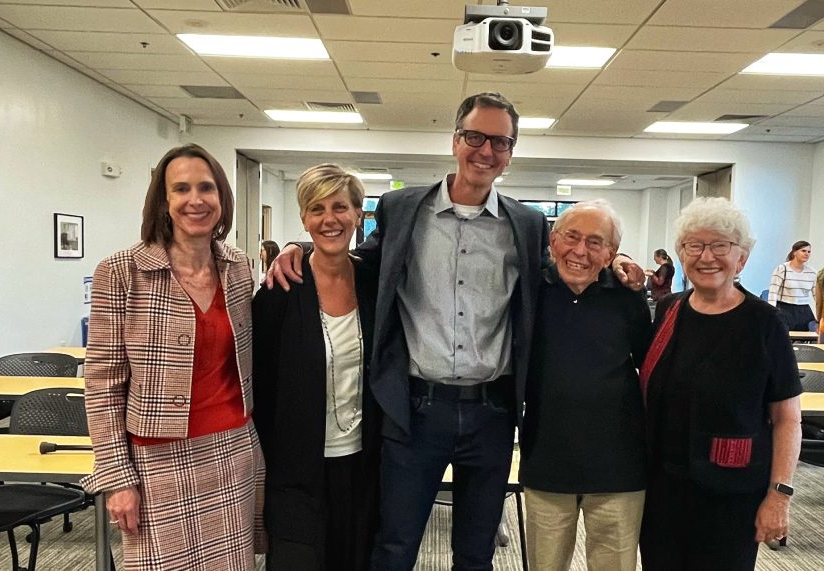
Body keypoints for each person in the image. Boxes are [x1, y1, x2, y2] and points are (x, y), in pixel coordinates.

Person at [270, 93, 645, 570]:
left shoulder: (526, 223)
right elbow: (362, 258)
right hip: (415, 412)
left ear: (510, 153)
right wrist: (298, 247)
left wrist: (619, 265)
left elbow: (564, 269)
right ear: (455, 140)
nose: (485, 151)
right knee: (394, 546)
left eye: (500, 142)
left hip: (492, 414)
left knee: (476, 551)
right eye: (475, 137)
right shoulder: (402, 207)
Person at [82, 144, 265, 569]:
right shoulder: (122, 271)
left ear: (222, 197)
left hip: (232, 452)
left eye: (206, 188)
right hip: (156, 461)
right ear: (164, 201)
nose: (195, 200)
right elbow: (103, 384)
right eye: (181, 189)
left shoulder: (238, 268)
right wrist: (117, 479)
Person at [638, 197, 802, 571]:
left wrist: (779, 496)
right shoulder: (668, 311)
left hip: (733, 493)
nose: (706, 256)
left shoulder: (765, 323)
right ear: (682, 254)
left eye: (720, 246)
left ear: (741, 258)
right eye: (694, 245)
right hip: (663, 489)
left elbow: (787, 418)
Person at [252, 164, 380, 570]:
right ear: (304, 218)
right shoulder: (279, 291)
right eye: (316, 208)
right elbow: (260, 386)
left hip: (362, 464)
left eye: (340, 207)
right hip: (294, 471)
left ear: (359, 214)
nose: (329, 219)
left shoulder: (375, 283)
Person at [519, 200, 652, 571]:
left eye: (596, 243)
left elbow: (650, 366)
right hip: (547, 457)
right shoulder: (529, 291)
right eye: (571, 237)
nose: (580, 251)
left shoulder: (629, 296)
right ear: (553, 240)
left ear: (610, 252)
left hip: (619, 463)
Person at [767, 241, 817, 331]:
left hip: (803, 309)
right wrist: (771, 313)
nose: (806, 254)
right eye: (803, 251)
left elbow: (816, 295)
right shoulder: (782, 269)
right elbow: (773, 293)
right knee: (783, 336)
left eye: (809, 252)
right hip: (785, 307)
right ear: (794, 252)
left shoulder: (812, 272)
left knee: (804, 336)